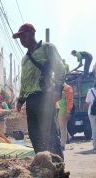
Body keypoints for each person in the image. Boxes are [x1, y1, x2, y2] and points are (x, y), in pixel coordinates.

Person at [13, 23, 66, 159]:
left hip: (44, 97)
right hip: (31, 101)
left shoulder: (47, 48)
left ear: (32, 33)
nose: (22, 40)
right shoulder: (25, 59)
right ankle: (43, 164)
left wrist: (58, 89)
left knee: (49, 134)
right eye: (20, 38)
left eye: (23, 36)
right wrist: (20, 100)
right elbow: (24, 82)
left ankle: (58, 167)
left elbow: (59, 68)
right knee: (35, 135)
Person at [57, 83, 74, 151]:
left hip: (63, 111)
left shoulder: (67, 88)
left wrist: (68, 111)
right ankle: (68, 137)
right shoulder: (55, 86)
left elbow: (70, 100)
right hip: (56, 111)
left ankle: (62, 145)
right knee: (60, 128)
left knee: (62, 128)